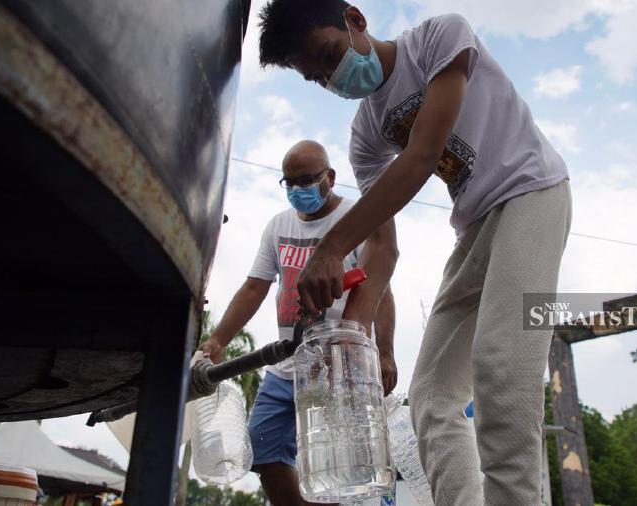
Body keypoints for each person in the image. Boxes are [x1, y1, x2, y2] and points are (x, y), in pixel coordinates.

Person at [257, 2, 572, 505]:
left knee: (499, 366)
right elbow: (382, 245)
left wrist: (334, 246)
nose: (333, 78)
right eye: (317, 78)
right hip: (474, 227)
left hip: (532, 192)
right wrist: (354, 332)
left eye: (330, 55)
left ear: (354, 20)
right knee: (432, 397)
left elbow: (425, 151)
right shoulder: (365, 134)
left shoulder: (439, 38)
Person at [200, 140, 396, 506]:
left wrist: (385, 352)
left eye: (305, 180)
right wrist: (218, 340)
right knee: (262, 447)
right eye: (289, 182)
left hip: (339, 364)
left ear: (330, 177)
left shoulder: (355, 221)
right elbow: (254, 286)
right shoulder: (278, 226)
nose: (297, 190)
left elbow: (381, 290)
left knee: (335, 458)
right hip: (288, 363)